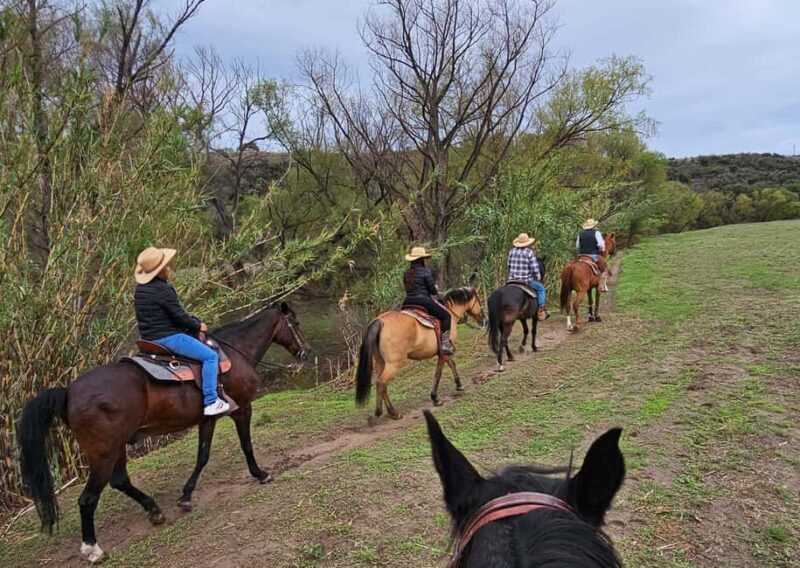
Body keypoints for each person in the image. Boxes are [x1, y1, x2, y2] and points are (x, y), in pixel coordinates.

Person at [134, 247, 229, 416]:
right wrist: (198, 326)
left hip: (148, 338)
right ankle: (211, 401)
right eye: (167, 266)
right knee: (210, 356)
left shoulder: (140, 290)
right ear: (161, 271)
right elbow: (179, 317)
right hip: (168, 338)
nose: (170, 268)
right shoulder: (163, 290)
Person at [401, 247, 455, 356]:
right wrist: (435, 289)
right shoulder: (426, 272)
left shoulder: (406, 273)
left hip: (407, 302)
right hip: (423, 301)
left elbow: (407, 289)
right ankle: (445, 344)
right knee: (446, 316)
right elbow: (432, 290)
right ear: (422, 259)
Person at [507, 233, 549, 321]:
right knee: (541, 289)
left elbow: (509, 265)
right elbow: (534, 268)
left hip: (511, 280)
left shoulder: (512, 251)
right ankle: (540, 310)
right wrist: (538, 277)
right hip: (526, 280)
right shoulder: (529, 252)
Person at [576, 218, 609, 292]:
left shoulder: (580, 234)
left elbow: (577, 246)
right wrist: (601, 250)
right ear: (593, 226)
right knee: (604, 268)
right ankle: (602, 285)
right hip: (593, 255)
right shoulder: (596, 233)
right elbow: (601, 245)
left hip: (581, 255)